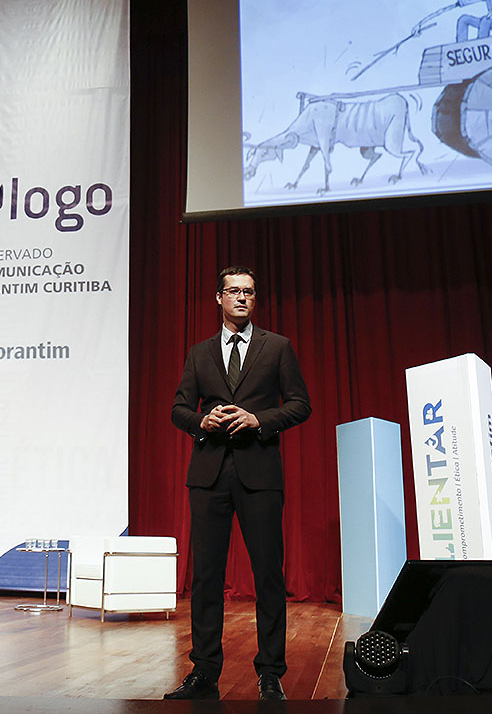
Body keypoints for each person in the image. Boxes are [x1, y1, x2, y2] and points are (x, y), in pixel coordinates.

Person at [165, 266, 311, 701]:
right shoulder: (199, 353)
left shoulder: (278, 347)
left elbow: (300, 404)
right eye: (233, 291)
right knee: (206, 578)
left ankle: (270, 674)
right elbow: (178, 409)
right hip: (208, 475)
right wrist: (202, 421)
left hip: (259, 474)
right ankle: (204, 671)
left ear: (255, 298)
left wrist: (258, 419)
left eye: (248, 291)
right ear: (219, 298)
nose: (242, 298)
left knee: (268, 575)